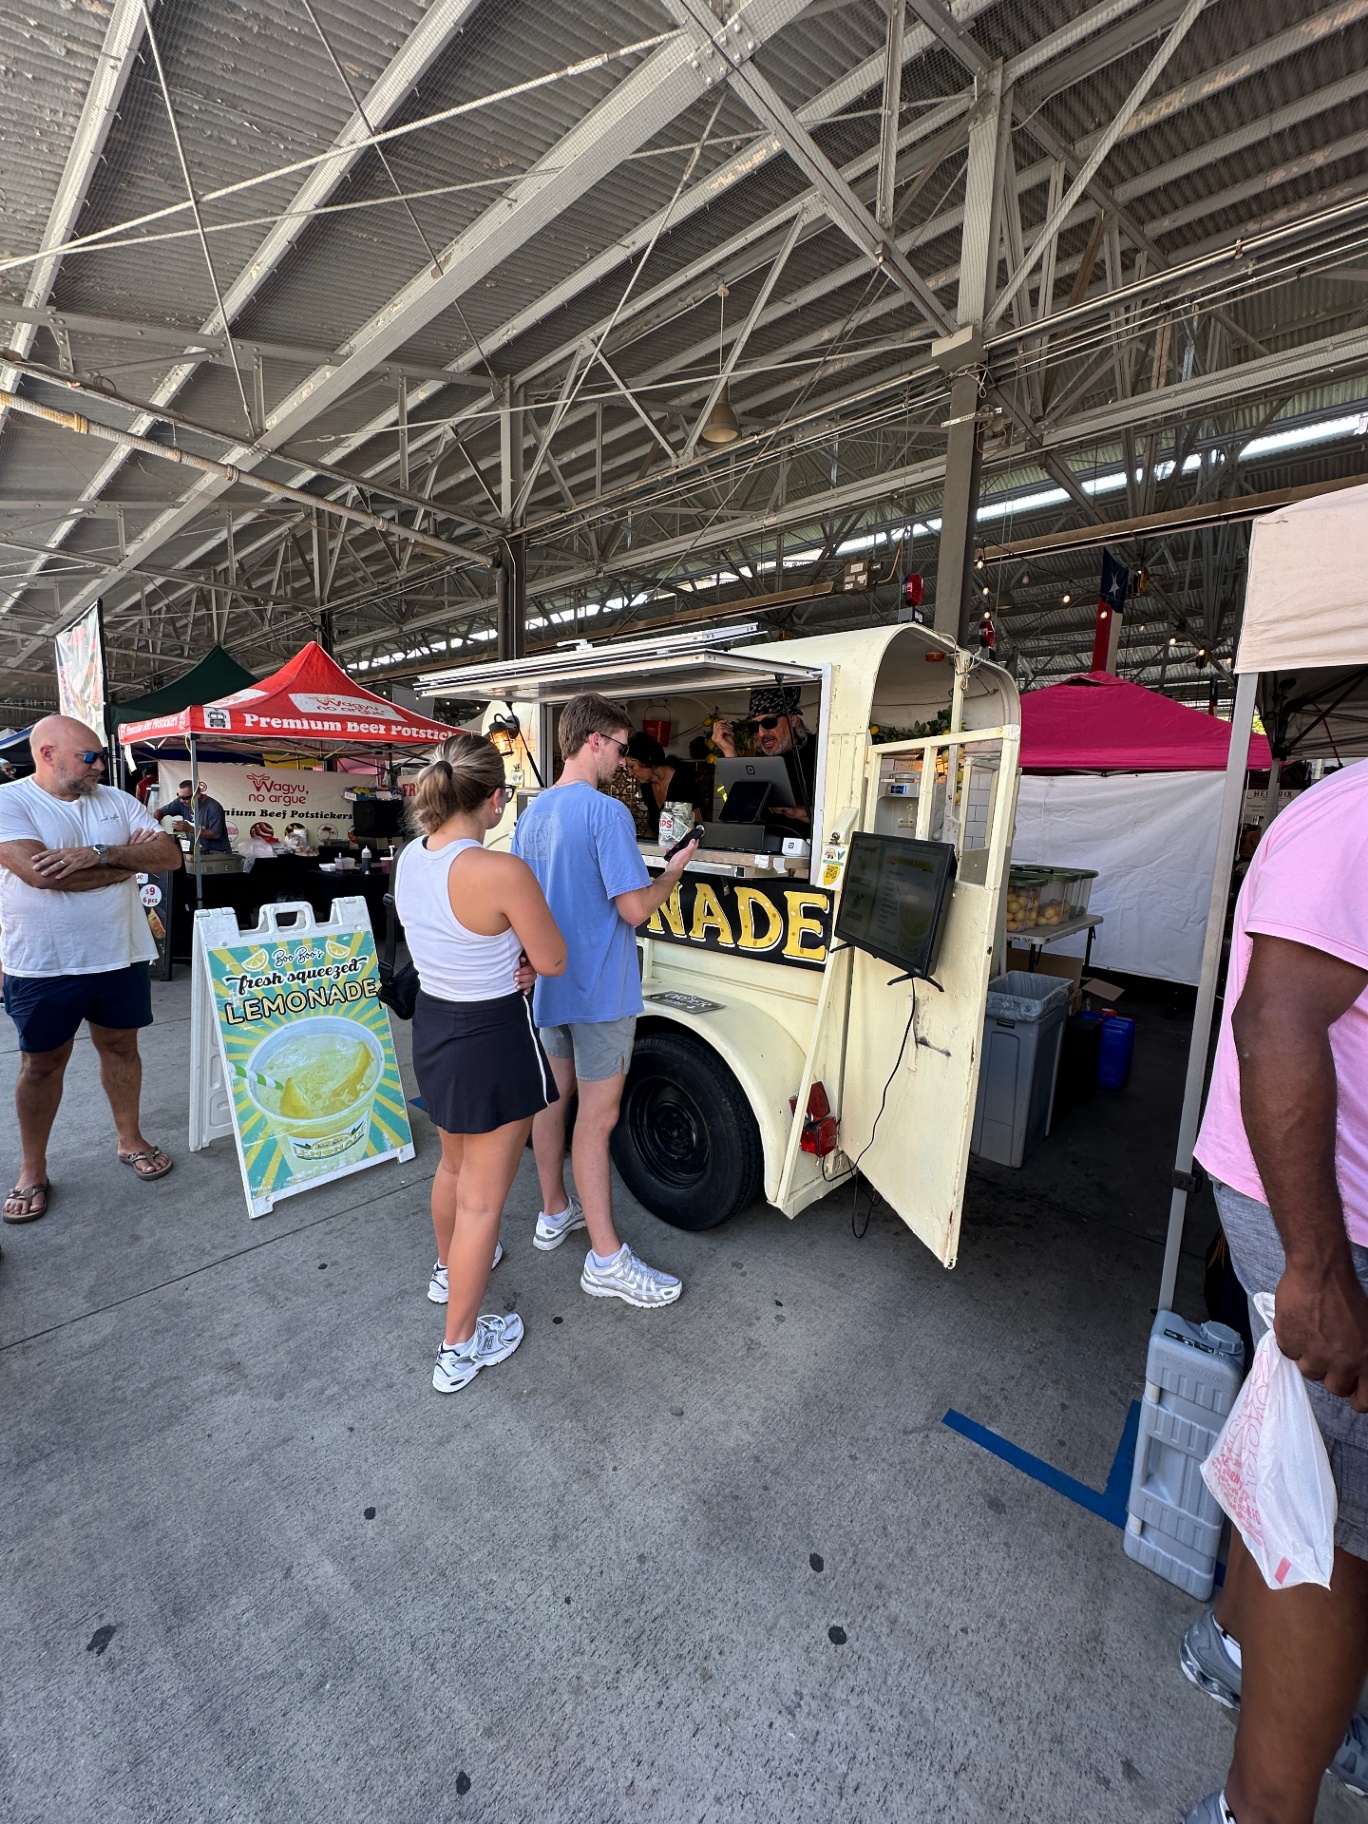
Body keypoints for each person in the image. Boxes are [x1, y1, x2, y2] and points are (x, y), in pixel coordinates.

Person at [1181, 759, 1368, 1824]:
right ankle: (1259, 1807)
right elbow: (1274, 1026)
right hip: (1327, 1221)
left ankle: (1233, 1640)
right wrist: (1318, 1269)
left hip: (1317, 1215)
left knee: (1297, 1450)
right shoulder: (1356, 822)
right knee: (1337, 1528)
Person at [512, 693, 698, 1308]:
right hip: (600, 991)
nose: (624, 761)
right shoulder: (607, 814)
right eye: (620, 747)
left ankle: (552, 1211)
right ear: (594, 739)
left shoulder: (531, 815)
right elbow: (635, 908)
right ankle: (607, 1259)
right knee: (597, 1122)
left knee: (553, 1105)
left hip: (549, 985)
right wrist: (674, 871)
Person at [394, 732, 566, 1394]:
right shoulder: (500, 871)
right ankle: (459, 1347)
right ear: (494, 801)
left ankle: (449, 1270)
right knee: (483, 1201)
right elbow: (551, 960)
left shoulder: (411, 857)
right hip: (492, 1034)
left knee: (455, 1168)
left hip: (437, 1025)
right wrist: (525, 959)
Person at [0, 715, 183, 1223]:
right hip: (43, 962)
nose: (100, 764)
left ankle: (130, 1139)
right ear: (47, 754)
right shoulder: (9, 802)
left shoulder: (118, 801)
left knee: (122, 1046)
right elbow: (40, 876)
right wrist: (126, 868)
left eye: (100, 755)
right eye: (89, 756)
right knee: (41, 1064)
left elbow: (168, 855)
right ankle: (32, 1168)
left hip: (119, 954)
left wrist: (98, 854)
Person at [712, 685, 817, 834]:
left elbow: (835, 814)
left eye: (769, 723)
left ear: (792, 720)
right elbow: (743, 808)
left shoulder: (821, 754)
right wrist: (729, 751)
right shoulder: (763, 762)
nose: (761, 733)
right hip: (765, 849)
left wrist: (797, 811)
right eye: (754, 726)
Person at [623, 733, 702, 833]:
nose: (629, 773)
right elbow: (653, 828)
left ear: (647, 760)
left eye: (632, 766)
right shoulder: (646, 785)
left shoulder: (683, 781)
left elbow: (698, 828)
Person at [155, 779, 231, 855]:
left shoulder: (213, 808)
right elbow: (159, 812)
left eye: (186, 798)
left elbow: (216, 834)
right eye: (179, 796)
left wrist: (190, 828)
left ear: (198, 794)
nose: (182, 800)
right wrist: (156, 828)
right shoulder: (180, 802)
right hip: (196, 852)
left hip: (217, 853)